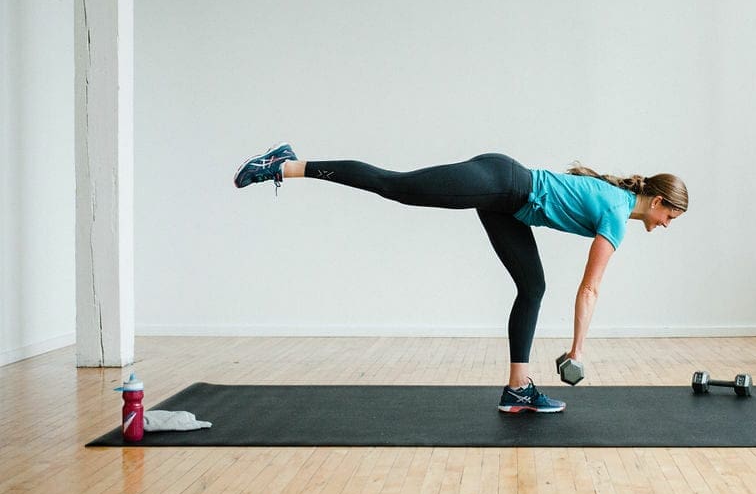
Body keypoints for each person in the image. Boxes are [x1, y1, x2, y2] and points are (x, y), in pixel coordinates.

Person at [234, 144, 688, 413]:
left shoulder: (617, 206)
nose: (668, 224)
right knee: (395, 185)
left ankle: (518, 389)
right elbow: (590, 289)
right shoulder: (615, 214)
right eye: (671, 215)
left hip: (509, 199)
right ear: (657, 201)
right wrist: (578, 351)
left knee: (532, 287)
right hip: (502, 183)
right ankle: (286, 165)